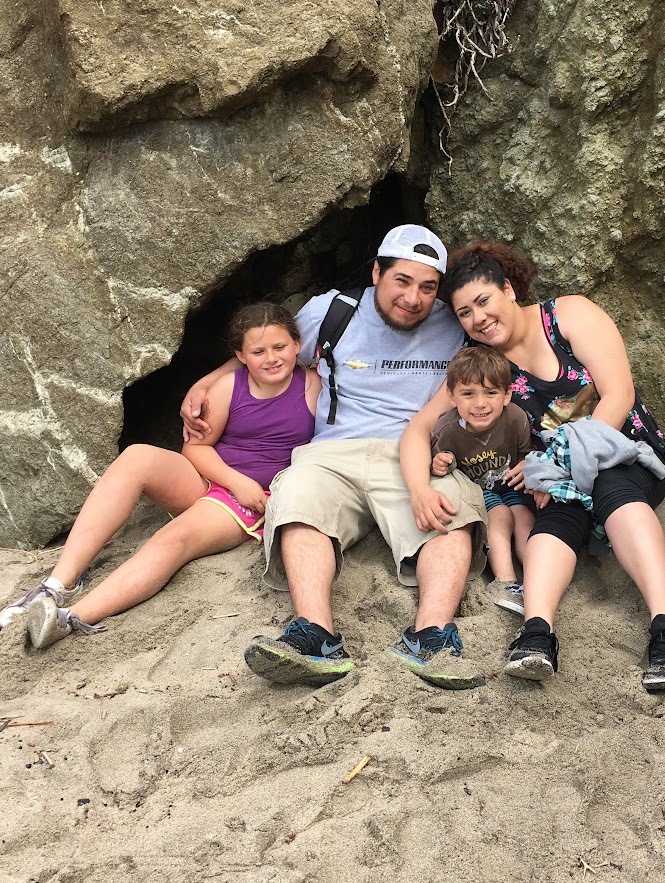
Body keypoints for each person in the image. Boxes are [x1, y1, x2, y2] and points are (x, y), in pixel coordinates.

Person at [180, 225, 488, 690]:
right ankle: (315, 635)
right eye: (401, 281)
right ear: (377, 272)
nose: (413, 298)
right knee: (297, 497)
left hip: (415, 454)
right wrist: (204, 383)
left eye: (428, 287)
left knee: (452, 508)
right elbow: (266, 350)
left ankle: (432, 637)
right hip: (332, 453)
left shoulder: (455, 324)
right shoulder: (334, 310)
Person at [400, 242, 665, 690]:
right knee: (554, 518)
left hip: (621, 451)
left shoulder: (568, 315)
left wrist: (557, 460)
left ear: (508, 289)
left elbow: (619, 393)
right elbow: (418, 430)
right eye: (465, 312)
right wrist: (419, 489)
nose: (478, 318)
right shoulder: (484, 366)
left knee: (612, 488)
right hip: (555, 480)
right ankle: (536, 633)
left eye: (483, 301)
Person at [1, 303, 320, 649]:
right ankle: (58, 584)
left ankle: (70, 618)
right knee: (136, 456)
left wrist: (244, 487)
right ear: (240, 356)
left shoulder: (313, 386)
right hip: (216, 480)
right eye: (258, 351)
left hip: (252, 501)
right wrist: (234, 480)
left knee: (175, 536)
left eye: (280, 347)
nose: (271, 358)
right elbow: (195, 449)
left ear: (296, 345)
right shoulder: (228, 386)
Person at [430, 345, 534, 615]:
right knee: (500, 515)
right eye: (468, 394)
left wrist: (526, 464)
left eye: (491, 392)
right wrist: (439, 462)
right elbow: (436, 466)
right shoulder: (446, 429)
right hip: (475, 490)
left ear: (507, 394)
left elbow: (525, 454)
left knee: (524, 517)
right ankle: (505, 581)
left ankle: (536, 575)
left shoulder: (516, 418)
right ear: (451, 396)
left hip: (508, 483)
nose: (480, 404)